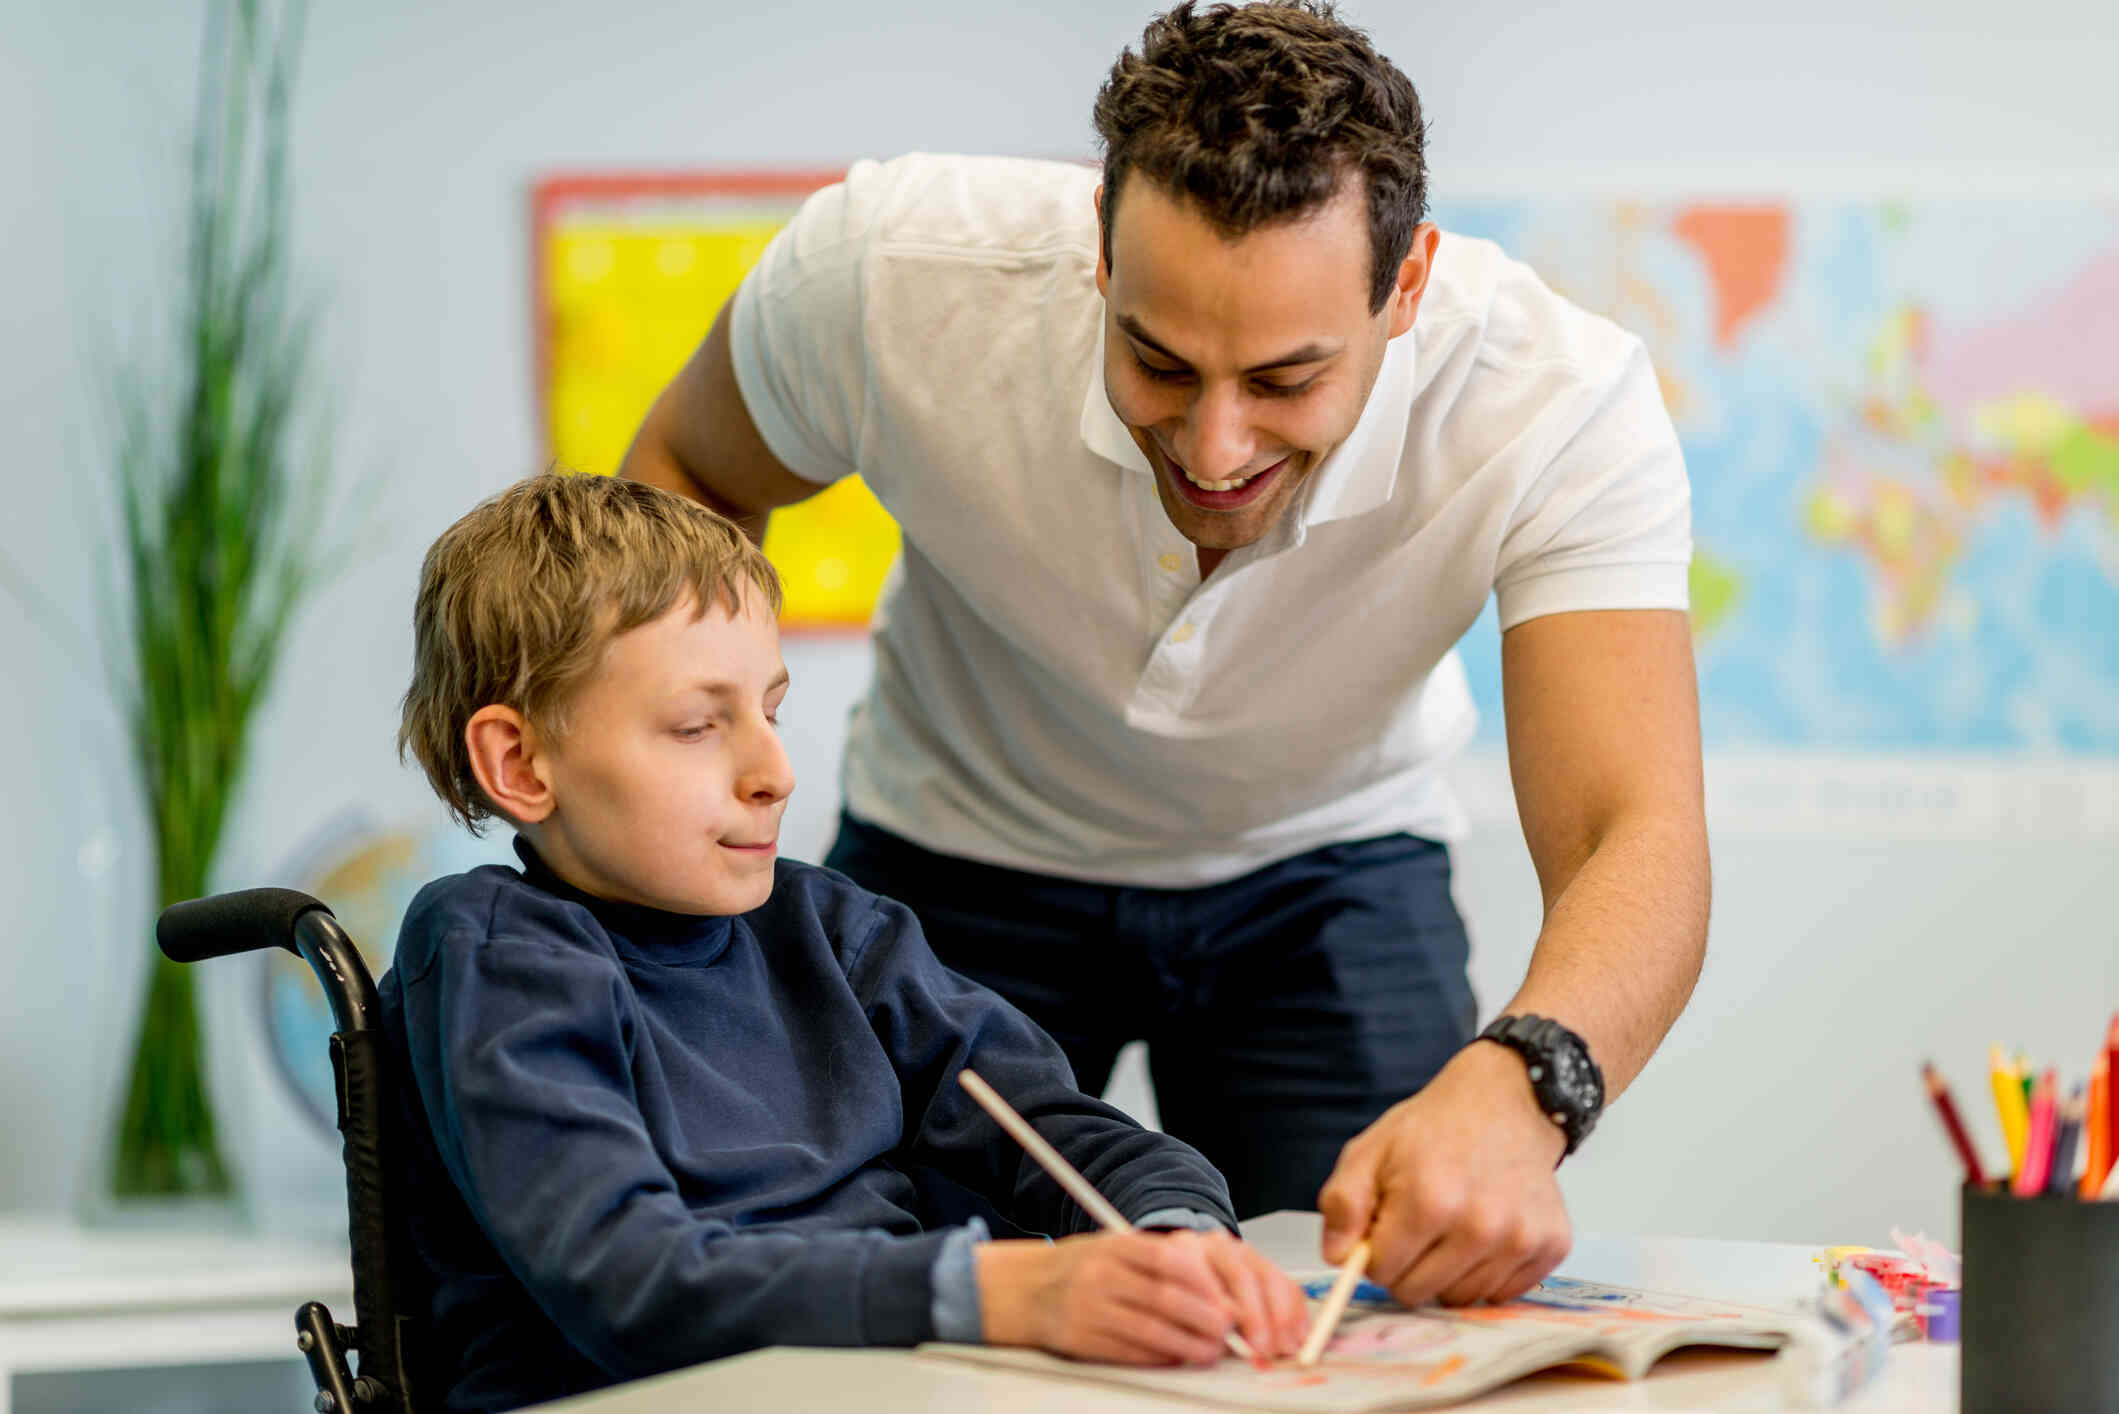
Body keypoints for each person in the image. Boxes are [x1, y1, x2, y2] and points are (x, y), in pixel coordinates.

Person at [622, 0, 1709, 1309]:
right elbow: (683, 474)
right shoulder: (885, 273)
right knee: (882, 1308)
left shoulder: (1554, 400)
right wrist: (696, 784)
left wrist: (1528, 1079)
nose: (1211, 445)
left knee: (1392, 1313)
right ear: (1097, 242)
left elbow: (1628, 827)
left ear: (1404, 285)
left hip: (1325, 873)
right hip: (955, 854)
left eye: (1285, 379)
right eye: (1157, 360)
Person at [379, 473, 1309, 1413]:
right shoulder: (494, 953)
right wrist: (1003, 1293)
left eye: (769, 712)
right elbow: (632, 1282)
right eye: (700, 726)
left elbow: (1063, 1131)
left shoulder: (828, 928)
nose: (774, 772)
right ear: (519, 763)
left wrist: (1176, 1235)